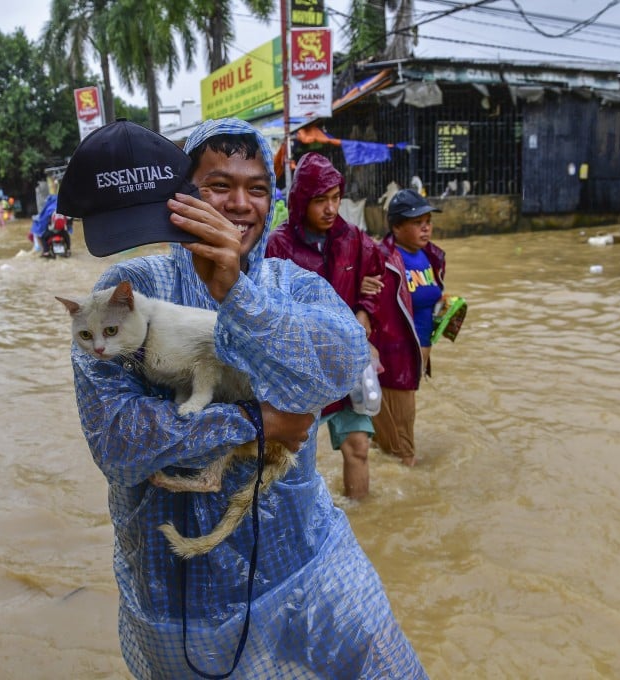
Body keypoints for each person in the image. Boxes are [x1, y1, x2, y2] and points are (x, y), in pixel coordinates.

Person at [63, 119, 425, 678]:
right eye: (217, 186)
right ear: (181, 197)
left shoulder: (292, 284)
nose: (239, 204)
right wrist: (255, 423)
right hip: (181, 599)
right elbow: (117, 439)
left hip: (310, 562)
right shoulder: (126, 290)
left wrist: (239, 295)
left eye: (256, 188)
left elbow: (341, 367)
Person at [265, 152, 385, 500]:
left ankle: (361, 520)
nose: (331, 209)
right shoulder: (279, 244)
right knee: (293, 457)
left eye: (335, 198)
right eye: (321, 200)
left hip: (347, 364)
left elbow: (375, 276)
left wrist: (364, 311)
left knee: (358, 446)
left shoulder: (353, 239)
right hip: (301, 368)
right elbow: (270, 308)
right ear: (302, 201)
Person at [369, 189, 447, 467]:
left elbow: (426, 300)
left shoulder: (432, 256)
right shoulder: (381, 259)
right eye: (417, 222)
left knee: (386, 435)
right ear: (396, 227)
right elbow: (363, 303)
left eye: (428, 221)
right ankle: (408, 497)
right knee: (404, 448)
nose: (426, 227)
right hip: (394, 360)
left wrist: (445, 306)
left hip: (417, 355)